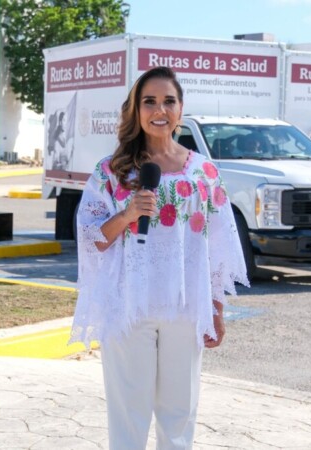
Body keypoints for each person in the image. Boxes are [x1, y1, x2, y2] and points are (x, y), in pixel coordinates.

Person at [70, 66, 248, 449]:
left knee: (180, 414)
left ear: (181, 109)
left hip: (185, 306)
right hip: (128, 305)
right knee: (128, 416)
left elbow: (218, 244)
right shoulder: (111, 172)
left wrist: (215, 306)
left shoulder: (203, 172)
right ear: (136, 110)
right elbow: (91, 239)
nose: (159, 110)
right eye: (149, 101)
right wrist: (128, 213)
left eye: (168, 100)